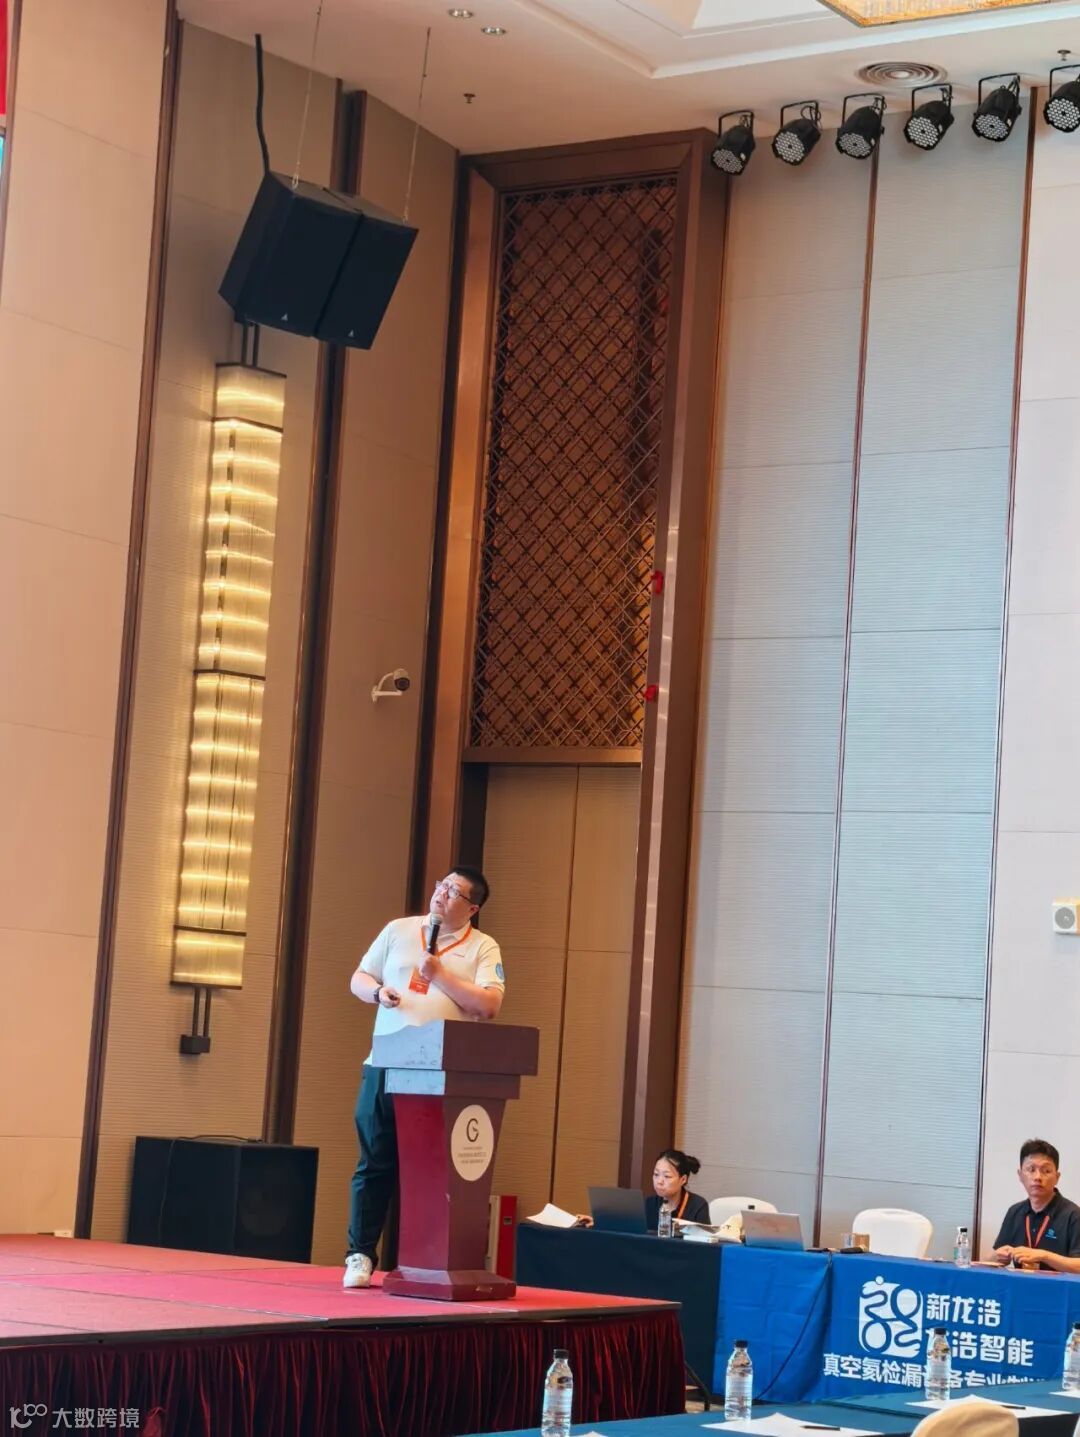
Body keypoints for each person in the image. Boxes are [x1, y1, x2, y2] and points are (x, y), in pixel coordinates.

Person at [343, 866, 505, 1290]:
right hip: (384, 1062)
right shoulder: (399, 929)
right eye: (441, 885)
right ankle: (360, 1254)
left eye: (453, 892)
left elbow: (488, 1005)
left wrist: (439, 975)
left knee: (430, 1171)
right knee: (373, 1163)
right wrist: (377, 992)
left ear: (472, 908)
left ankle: (425, 1261)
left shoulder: (483, 947)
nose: (441, 893)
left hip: (439, 1074)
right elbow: (359, 977)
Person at [991, 1137, 1080, 1271]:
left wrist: (1044, 1256)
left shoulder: (1073, 1215)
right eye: (1031, 1170)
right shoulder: (1014, 1212)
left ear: (1057, 1177)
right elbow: (992, 1259)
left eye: (1046, 1171)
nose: (1038, 1177)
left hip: (1057, 1285)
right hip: (1020, 1283)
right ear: (1020, 1175)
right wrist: (997, 1256)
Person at [644, 1149, 710, 1231]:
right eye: (656, 1174)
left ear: (683, 1179)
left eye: (667, 1176)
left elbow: (704, 1237)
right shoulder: (649, 1203)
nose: (659, 1181)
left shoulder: (698, 1206)